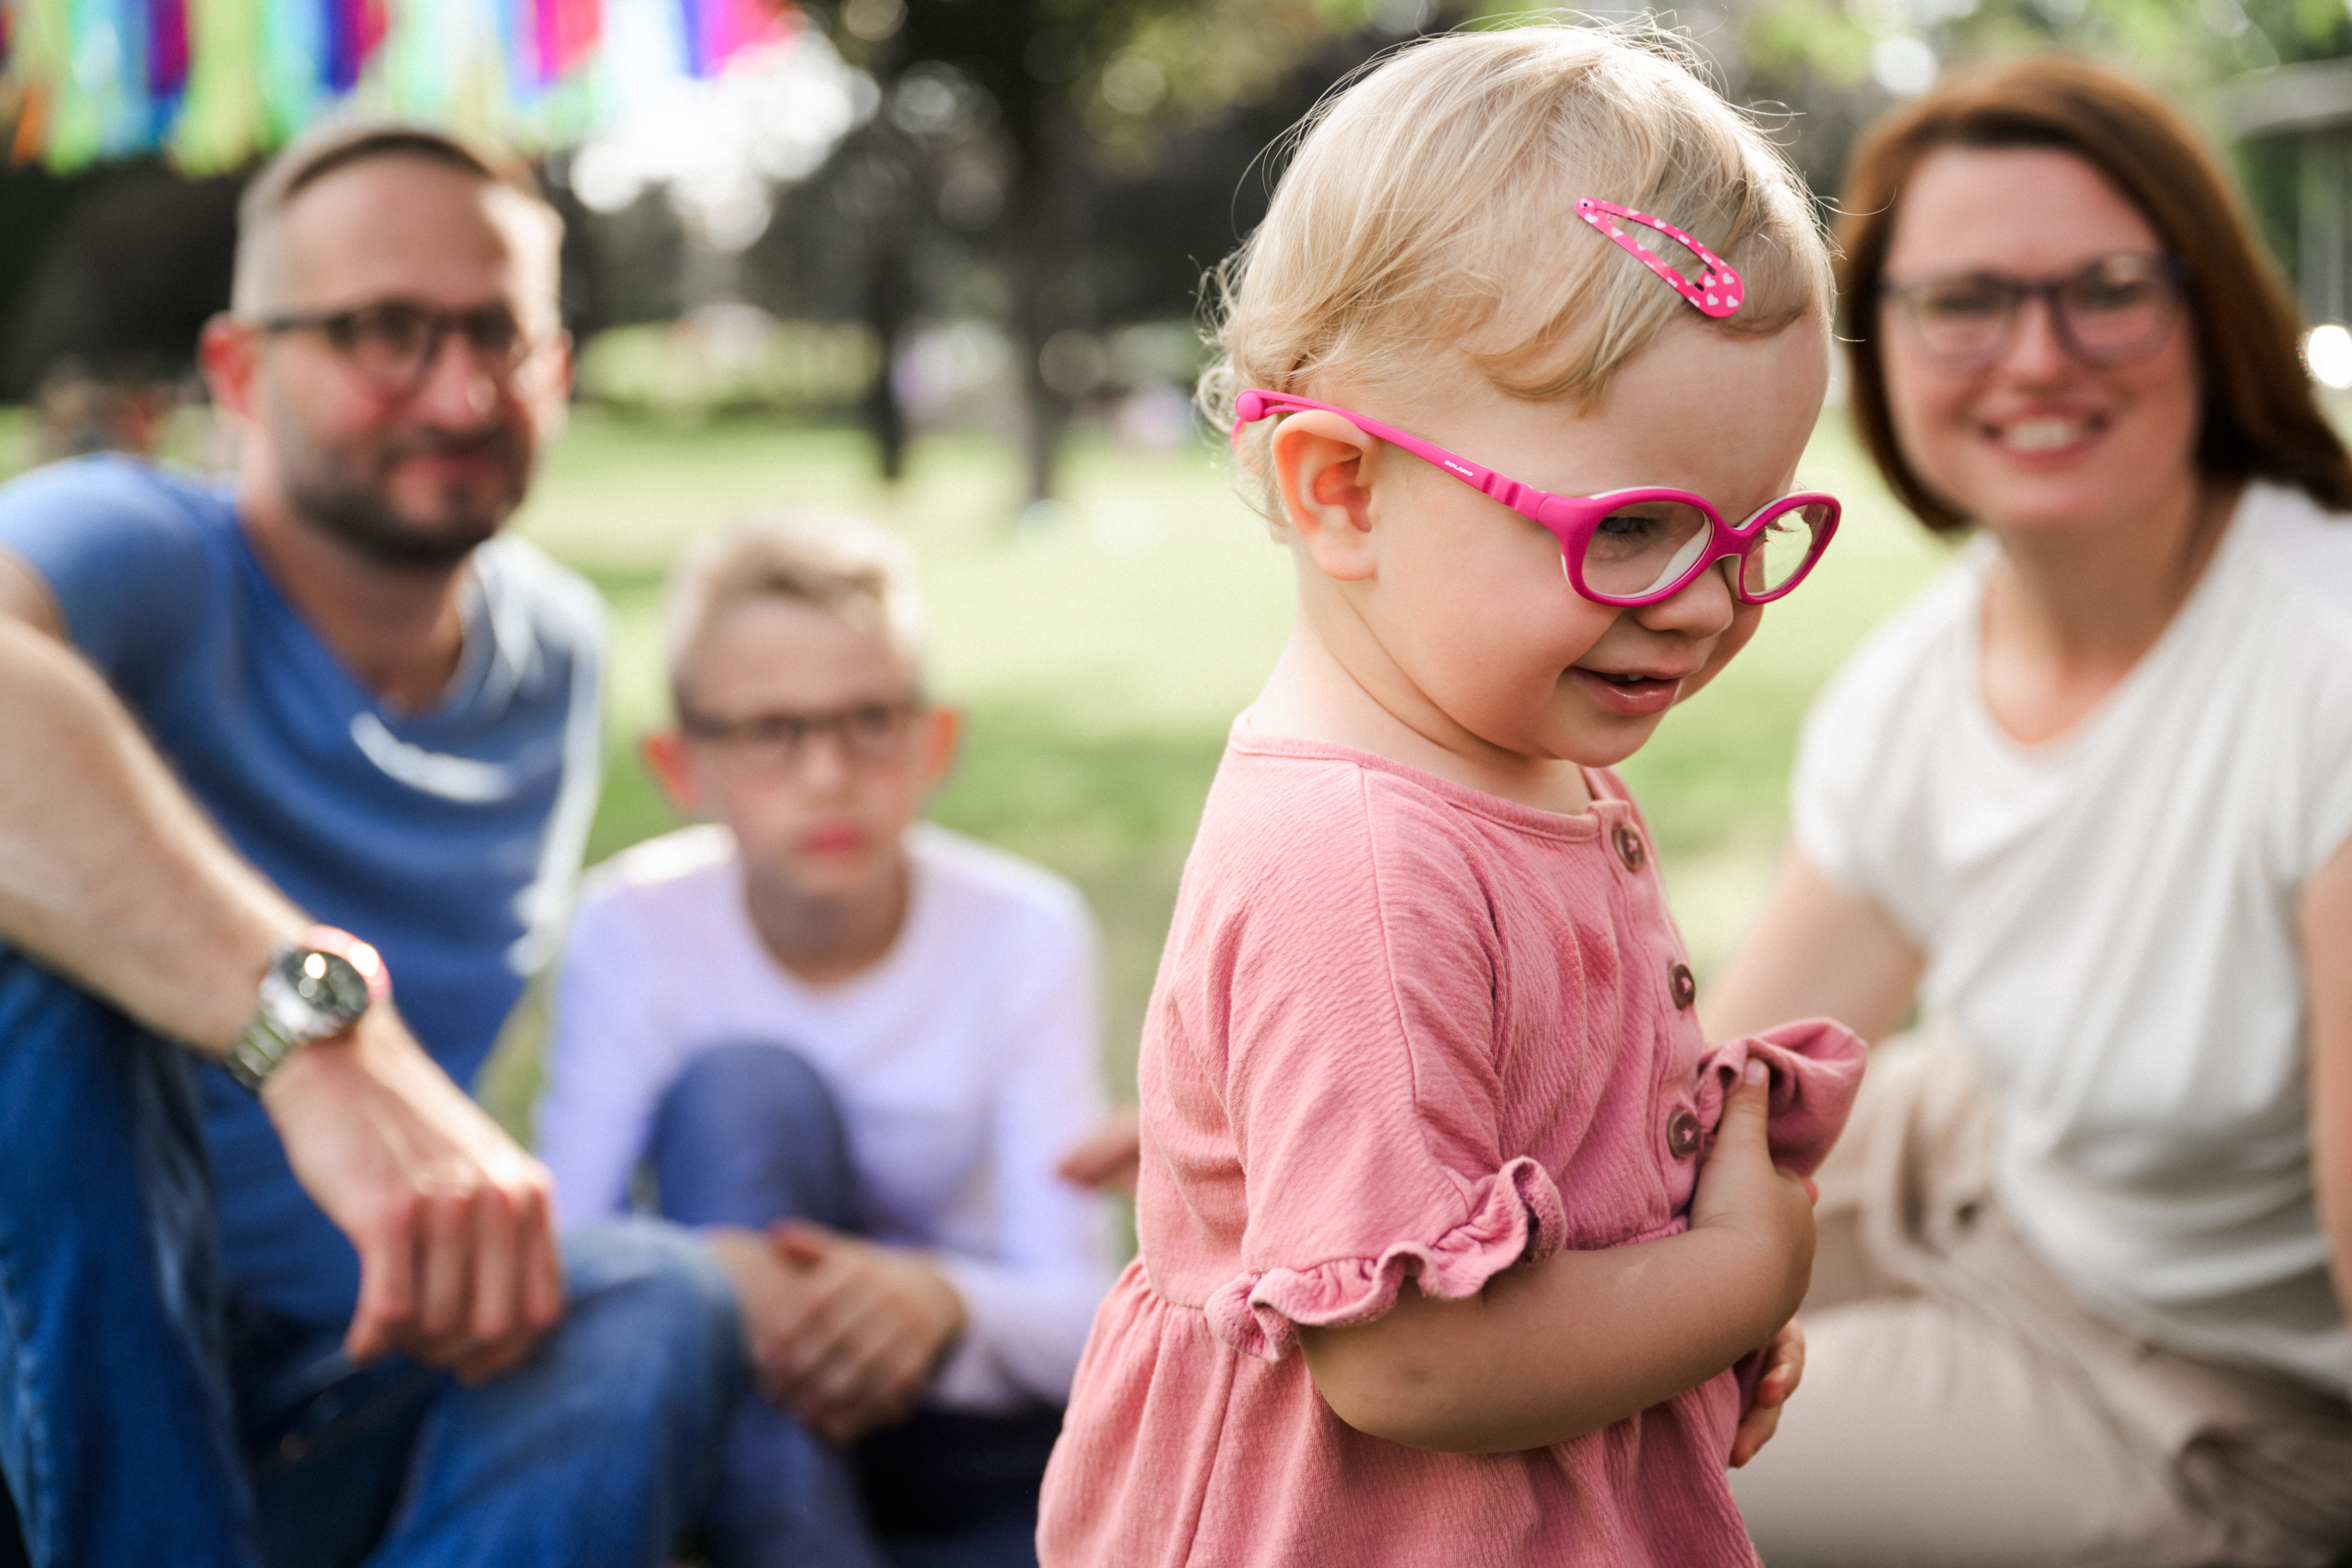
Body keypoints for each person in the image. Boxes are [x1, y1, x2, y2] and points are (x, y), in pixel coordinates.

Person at [1035, 26, 1871, 1568]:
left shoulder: (1520, 752)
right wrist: (1740, 1276)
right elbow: (1415, 1359)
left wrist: (1664, 1327)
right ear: (1341, 489)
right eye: (1633, 528)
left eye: (1755, 530)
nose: (1703, 604)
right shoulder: (1355, 861)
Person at [0, 123, 740, 1568]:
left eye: (500, 336)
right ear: (237, 372)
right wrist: (315, 1027)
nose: (458, 390)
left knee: (655, 1296)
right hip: (41, 1377)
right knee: (47, 940)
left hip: (328, 1382)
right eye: (383, 332)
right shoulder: (136, 550)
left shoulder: (556, 652)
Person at [1705, 56, 2352, 1567]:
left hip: (2212, 1403)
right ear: (1886, 343)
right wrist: (1398, 1108)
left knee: (1611, 1483)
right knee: (1539, 1298)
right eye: (1967, 300)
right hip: (1997, 1164)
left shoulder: (2327, 660)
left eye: (2108, 288)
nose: (2040, 353)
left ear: (2208, 316)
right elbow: (1720, 1087)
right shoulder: (1930, 666)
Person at [538, 512, 1114, 1568]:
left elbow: (1087, 1320)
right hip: (751, 1422)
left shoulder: (1022, 934)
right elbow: (564, 1261)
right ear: (680, 764)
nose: (826, 775)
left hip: (970, 1431)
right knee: (744, 1091)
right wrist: (719, 1277)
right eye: (768, 732)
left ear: (935, 738)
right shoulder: (633, 926)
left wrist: (936, 1304)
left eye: (868, 720)